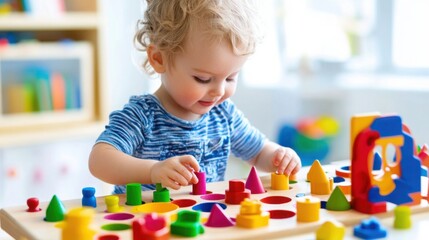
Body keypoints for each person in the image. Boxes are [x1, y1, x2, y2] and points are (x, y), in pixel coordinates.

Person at [89, 0, 301, 194]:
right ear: (158, 58)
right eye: (203, 78)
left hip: (203, 224)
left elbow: (257, 152)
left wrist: (279, 157)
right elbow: (100, 160)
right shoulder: (143, 116)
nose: (219, 91)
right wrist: (153, 170)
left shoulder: (223, 114)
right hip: (145, 223)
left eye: (230, 78)